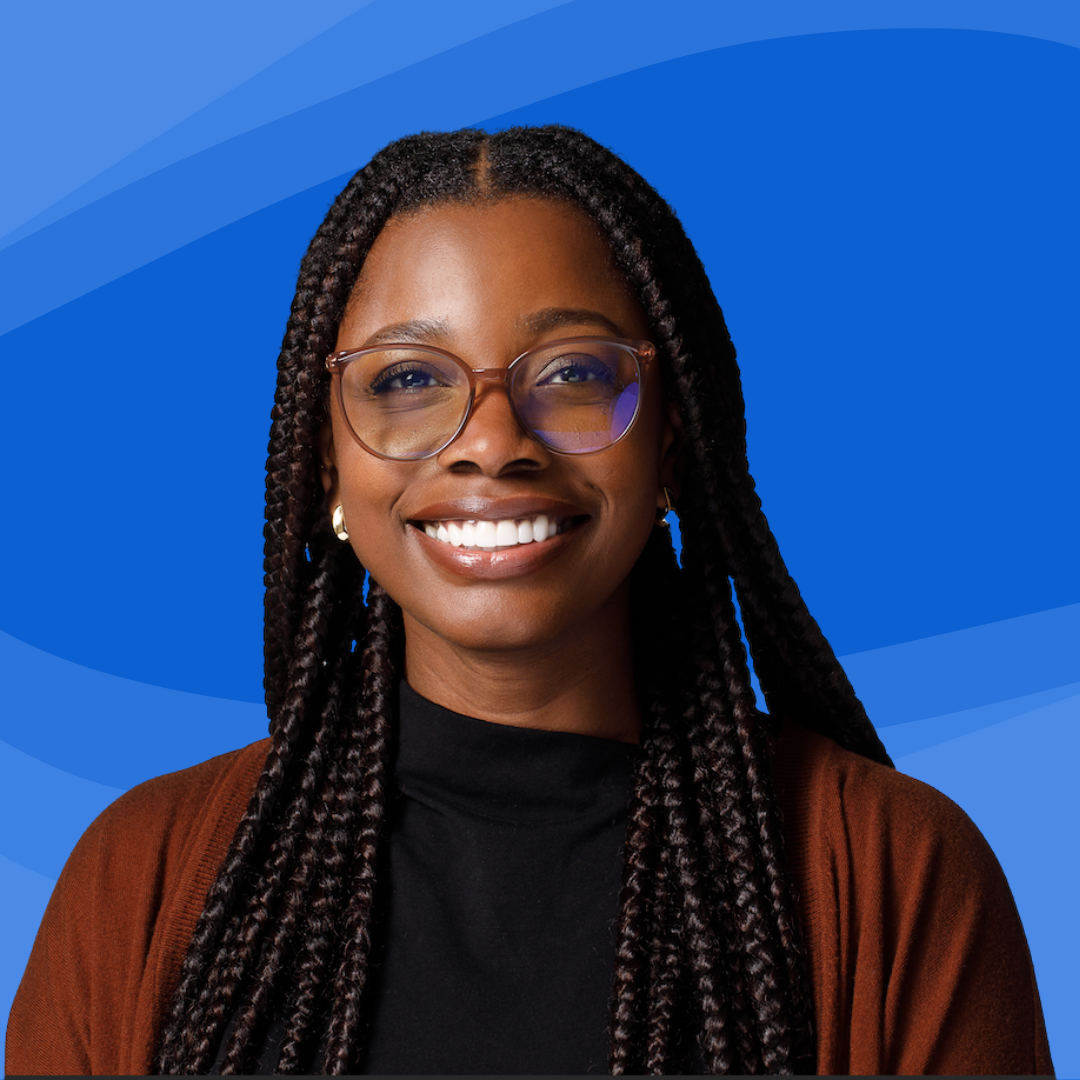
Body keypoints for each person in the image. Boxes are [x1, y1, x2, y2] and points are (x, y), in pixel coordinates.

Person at [6, 126, 1053, 1076]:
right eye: (409, 380)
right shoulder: (143, 880)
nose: (494, 441)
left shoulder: (892, 872)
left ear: (674, 445)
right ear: (324, 463)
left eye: (573, 371)